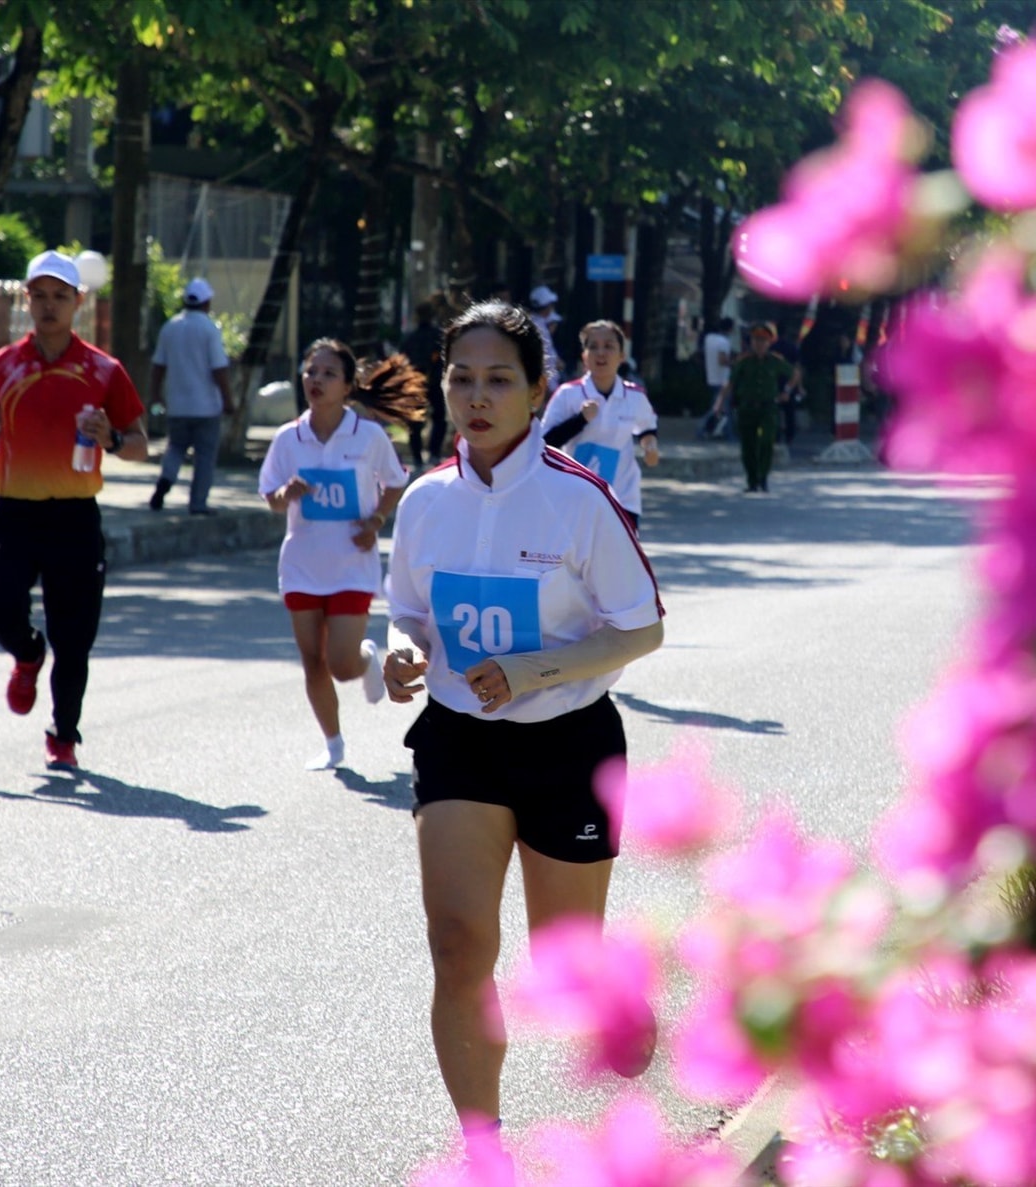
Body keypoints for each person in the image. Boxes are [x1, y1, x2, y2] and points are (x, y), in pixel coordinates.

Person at [381, 301, 664, 1164]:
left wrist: (540, 670)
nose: (476, 395)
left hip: (567, 742)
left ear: (540, 390)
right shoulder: (426, 501)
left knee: (563, 972)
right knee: (458, 943)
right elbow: (405, 612)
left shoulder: (579, 501)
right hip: (460, 738)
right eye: (461, 377)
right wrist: (398, 653)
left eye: (499, 378)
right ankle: (483, 1150)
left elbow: (643, 626)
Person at [0, 251, 149, 770]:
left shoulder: (103, 369)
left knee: (75, 637)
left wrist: (111, 438)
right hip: (16, 515)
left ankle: (63, 736)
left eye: (60, 297)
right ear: (27, 299)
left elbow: (140, 444)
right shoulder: (1, 366)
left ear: (78, 302)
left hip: (75, 518)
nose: (49, 307)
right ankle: (26, 653)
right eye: (40, 296)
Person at [258, 337, 424, 771]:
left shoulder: (367, 436)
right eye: (312, 371)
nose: (317, 379)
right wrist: (285, 493)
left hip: (352, 564)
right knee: (312, 661)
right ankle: (333, 744)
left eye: (329, 373)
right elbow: (270, 497)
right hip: (301, 565)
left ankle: (366, 660)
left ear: (348, 385)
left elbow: (395, 481)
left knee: (342, 665)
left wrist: (376, 522)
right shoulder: (288, 438)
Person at [539, 319, 659, 533]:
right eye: (592, 347)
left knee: (619, 565)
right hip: (575, 498)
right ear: (584, 356)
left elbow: (647, 428)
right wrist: (580, 420)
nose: (600, 353)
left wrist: (650, 446)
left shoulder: (635, 397)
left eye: (609, 346)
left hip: (622, 499)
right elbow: (544, 444)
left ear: (622, 356)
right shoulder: (568, 395)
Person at [147, 277, 233, 514]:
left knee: (175, 447)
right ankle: (197, 503)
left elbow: (158, 366)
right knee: (204, 456)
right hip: (206, 407)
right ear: (206, 302)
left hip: (177, 405)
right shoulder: (209, 329)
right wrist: (228, 400)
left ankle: (166, 479)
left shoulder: (170, 327)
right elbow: (219, 369)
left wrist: (155, 394)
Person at [716, 321, 799, 493]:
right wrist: (719, 403)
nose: (759, 344)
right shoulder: (743, 362)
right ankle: (752, 481)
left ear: (769, 343)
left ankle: (763, 478)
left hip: (768, 409)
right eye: (756, 340)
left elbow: (795, 374)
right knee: (748, 446)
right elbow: (730, 383)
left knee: (766, 442)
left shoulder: (776, 361)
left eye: (763, 340)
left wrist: (787, 392)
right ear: (751, 342)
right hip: (747, 409)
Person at [398, 297, 450, 470]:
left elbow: (402, 361)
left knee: (415, 422)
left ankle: (418, 457)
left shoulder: (409, 338)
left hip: (415, 383)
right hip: (434, 382)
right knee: (439, 418)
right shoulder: (438, 335)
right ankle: (433, 454)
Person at [699, 317, 734, 440]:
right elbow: (722, 360)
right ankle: (703, 430)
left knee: (719, 408)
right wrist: (735, 363)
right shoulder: (723, 342)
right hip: (722, 379)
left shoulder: (709, 339)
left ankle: (724, 433)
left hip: (711, 377)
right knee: (721, 408)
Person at [527, 284, 563, 394]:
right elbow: (548, 358)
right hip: (543, 386)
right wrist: (553, 389)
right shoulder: (539, 328)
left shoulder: (532, 322)